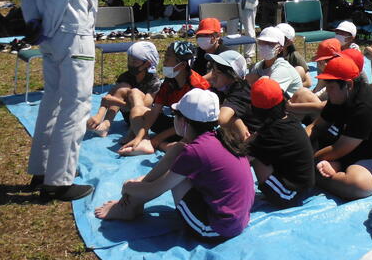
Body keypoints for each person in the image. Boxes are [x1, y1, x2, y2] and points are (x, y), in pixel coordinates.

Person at [20, 0, 114, 201]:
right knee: (76, 104)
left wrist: (34, 21)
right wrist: (51, 25)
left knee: (53, 100)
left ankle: (42, 169)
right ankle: (59, 181)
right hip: (71, 30)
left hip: (51, 31)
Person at [95, 89, 254, 242]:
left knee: (176, 178)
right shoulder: (217, 136)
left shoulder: (196, 151)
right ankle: (129, 205)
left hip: (215, 228)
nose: (173, 119)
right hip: (236, 218)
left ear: (184, 122)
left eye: (175, 115)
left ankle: (127, 207)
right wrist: (140, 183)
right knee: (178, 150)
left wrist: (128, 187)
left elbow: (156, 189)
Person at [310, 56, 372, 200]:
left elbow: (339, 149)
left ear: (348, 84)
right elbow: (316, 126)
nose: (327, 90)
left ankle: (313, 174)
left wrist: (307, 160)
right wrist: (299, 146)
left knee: (357, 186)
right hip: (349, 149)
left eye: (331, 86)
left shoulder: (366, 107)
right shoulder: (338, 97)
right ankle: (329, 167)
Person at [119, 41, 210, 156]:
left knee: (185, 145)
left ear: (182, 65)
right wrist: (140, 136)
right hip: (177, 124)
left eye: (167, 58)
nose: (164, 62)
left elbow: (194, 123)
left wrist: (158, 138)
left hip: (193, 129)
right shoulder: (169, 81)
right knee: (137, 110)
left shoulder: (197, 87)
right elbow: (155, 111)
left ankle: (159, 144)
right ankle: (146, 142)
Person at [248, 78, 315, 207]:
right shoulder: (290, 119)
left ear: (255, 110)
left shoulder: (270, 134)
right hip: (305, 187)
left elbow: (244, 156)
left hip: (289, 194)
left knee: (255, 157)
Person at [86, 41, 161, 137]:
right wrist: (99, 115)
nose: (130, 64)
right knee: (122, 89)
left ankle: (134, 134)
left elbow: (143, 108)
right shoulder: (126, 76)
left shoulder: (154, 82)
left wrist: (117, 102)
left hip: (143, 118)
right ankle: (106, 124)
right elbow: (108, 98)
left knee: (135, 92)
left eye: (135, 62)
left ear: (147, 64)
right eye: (129, 60)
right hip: (128, 116)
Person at [206, 49, 253, 142]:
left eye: (218, 73)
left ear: (233, 76)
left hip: (250, 140)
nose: (213, 76)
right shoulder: (222, 88)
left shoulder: (241, 91)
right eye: (213, 71)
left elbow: (221, 119)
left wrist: (235, 121)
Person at [247, 26, 302, 96]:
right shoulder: (258, 66)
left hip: (289, 102)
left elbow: (269, 94)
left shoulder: (282, 69)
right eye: (262, 42)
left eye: (271, 43)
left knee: (264, 80)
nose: (265, 46)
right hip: (267, 100)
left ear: (280, 48)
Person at [277, 22, 311, 87]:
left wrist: (290, 87)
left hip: (288, 88)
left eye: (279, 38)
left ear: (289, 42)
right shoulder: (272, 54)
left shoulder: (295, 56)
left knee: (299, 69)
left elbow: (308, 82)